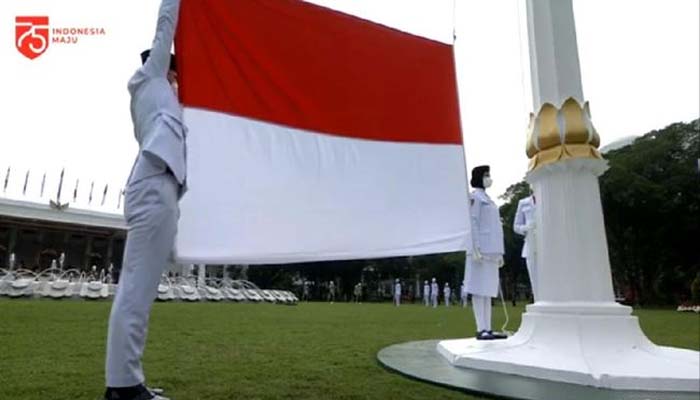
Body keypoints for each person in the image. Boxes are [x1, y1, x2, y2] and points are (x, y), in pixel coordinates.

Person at [104, 0, 185, 398]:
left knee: (141, 290)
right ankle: (123, 387)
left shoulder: (172, 101)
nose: (176, 77)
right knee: (135, 289)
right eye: (173, 70)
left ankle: (128, 380)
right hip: (153, 183)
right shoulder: (148, 79)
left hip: (163, 187)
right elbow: (165, 23)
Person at [465, 165, 506, 341]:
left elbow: (497, 229)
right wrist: (475, 247)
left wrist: (500, 252)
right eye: (486, 175)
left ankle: (488, 328)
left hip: (492, 251)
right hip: (480, 250)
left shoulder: (489, 200)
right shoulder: (475, 198)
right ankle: (480, 328)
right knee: (478, 290)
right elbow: (472, 222)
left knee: (488, 291)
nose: (489, 178)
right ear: (478, 177)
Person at [514, 190, 538, 301]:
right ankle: (537, 300)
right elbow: (516, 226)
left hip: (548, 244)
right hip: (530, 243)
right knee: (534, 277)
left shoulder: (548, 198)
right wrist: (526, 228)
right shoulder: (523, 203)